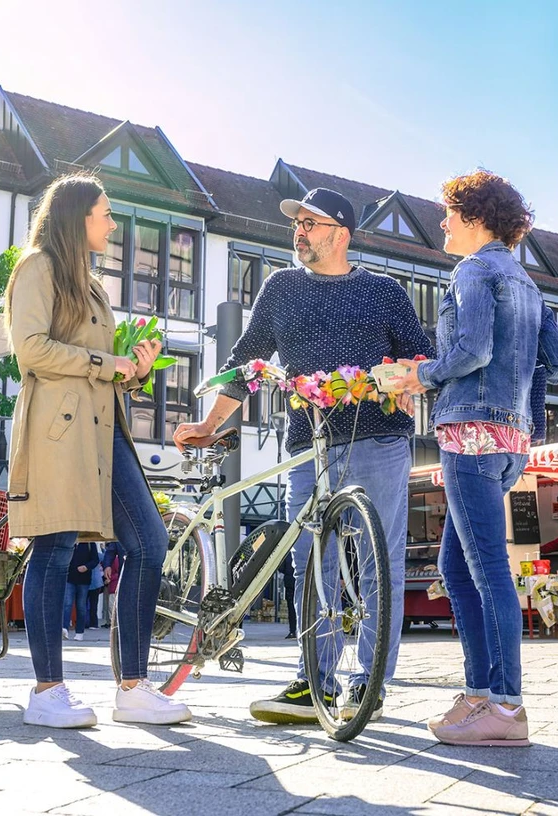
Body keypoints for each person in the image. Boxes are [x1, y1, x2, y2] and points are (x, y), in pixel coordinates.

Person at [174, 187, 435, 724]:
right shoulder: (281, 288)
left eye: (310, 223)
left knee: (378, 563)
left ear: (340, 234)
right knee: (310, 562)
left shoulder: (384, 291)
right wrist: (208, 425)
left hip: (380, 439)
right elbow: (246, 362)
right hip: (308, 444)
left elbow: (420, 357)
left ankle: (368, 684)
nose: (299, 231)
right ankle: (313, 681)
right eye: (297, 223)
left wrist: (408, 379)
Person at [4, 173, 191, 728]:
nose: (112, 224)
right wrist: (108, 364)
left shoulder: (91, 285)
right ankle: (46, 692)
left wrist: (135, 369)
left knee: (150, 542)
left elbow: (98, 368)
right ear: (77, 216)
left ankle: (133, 688)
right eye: (105, 214)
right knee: (55, 547)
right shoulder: (37, 268)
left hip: (105, 430)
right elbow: (30, 349)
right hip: (58, 433)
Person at [397, 170, 558, 747]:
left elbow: (471, 350)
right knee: (456, 567)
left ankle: (506, 705)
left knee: (487, 567)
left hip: (470, 432)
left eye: (449, 213)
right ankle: (479, 693)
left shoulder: (473, 271)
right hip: (511, 440)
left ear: (474, 218)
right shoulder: (527, 283)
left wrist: (422, 375)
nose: (442, 222)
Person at [63, 542, 99, 641]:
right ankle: (64, 629)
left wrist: (86, 567)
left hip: (84, 580)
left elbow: (95, 560)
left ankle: (79, 632)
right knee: (67, 604)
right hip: (69, 578)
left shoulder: (90, 543)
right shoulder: (69, 541)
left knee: (81, 606)